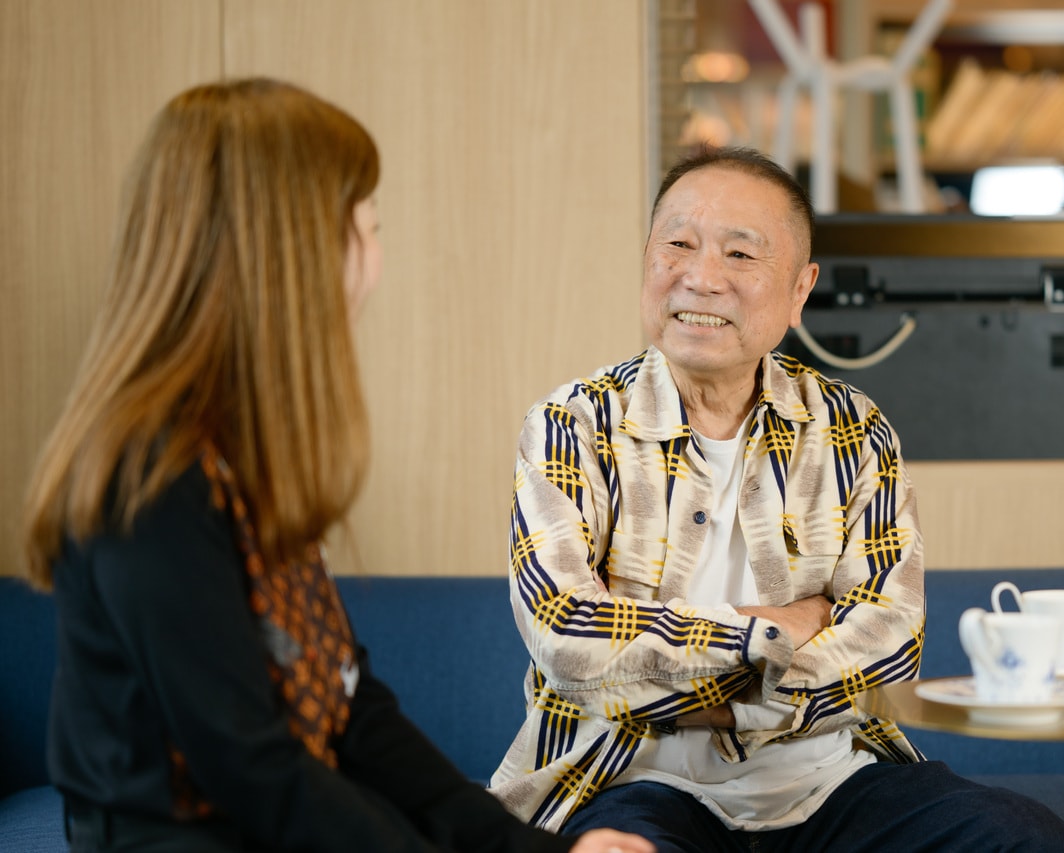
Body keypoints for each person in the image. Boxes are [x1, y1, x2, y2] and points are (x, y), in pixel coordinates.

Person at [20, 78, 653, 853]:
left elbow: (351, 712)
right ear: (293, 251)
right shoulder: (152, 474)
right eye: (369, 228)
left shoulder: (242, 452)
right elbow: (257, 772)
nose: (377, 263)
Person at [489, 145, 1064, 852]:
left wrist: (687, 677)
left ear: (800, 290)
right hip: (631, 778)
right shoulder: (570, 426)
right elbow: (569, 640)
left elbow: (890, 647)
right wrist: (773, 627)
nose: (700, 277)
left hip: (827, 780)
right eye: (677, 243)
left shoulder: (854, 428)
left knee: (1020, 837)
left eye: (741, 255)